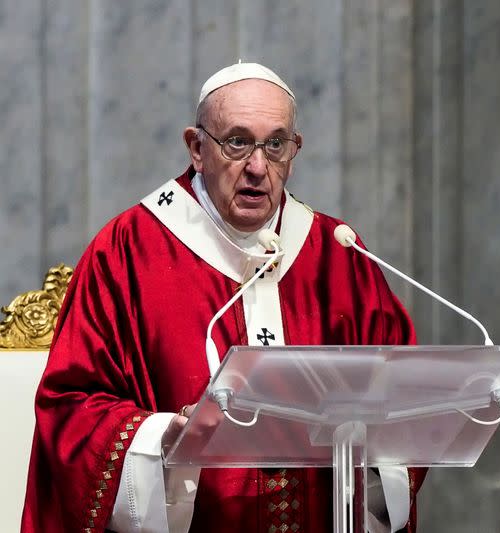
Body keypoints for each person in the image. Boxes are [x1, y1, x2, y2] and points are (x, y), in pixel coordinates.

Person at [22, 63, 425, 532]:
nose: (258, 167)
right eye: (237, 142)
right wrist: (163, 440)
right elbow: (71, 408)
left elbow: (402, 398)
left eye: (275, 144)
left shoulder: (338, 251)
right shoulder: (127, 251)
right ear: (197, 148)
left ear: (294, 151)